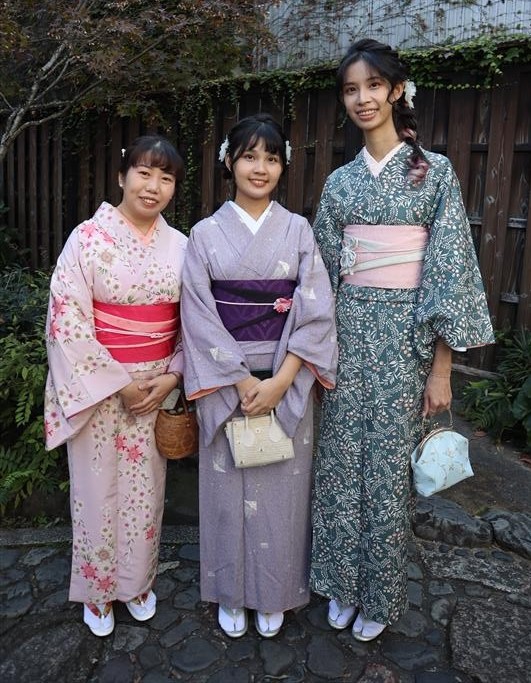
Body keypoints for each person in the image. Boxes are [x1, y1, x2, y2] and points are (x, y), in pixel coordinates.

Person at [310, 39, 494, 642]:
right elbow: (321, 277)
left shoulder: (432, 172)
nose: (362, 99)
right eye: (351, 89)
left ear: (395, 91)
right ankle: (340, 582)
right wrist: (314, 352)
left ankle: (379, 593)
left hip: (405, 342)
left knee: (389, 473)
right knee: (340, 465)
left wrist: (442, 369)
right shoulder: (340, 183)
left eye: (373, 86)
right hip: (346, 335)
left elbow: (449, 272)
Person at [181, 114, 337, 639]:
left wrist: (281, 380)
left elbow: (315, 311)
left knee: (280, 493)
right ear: (229, 162)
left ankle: (274, 593)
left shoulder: (297, 230)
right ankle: (230, 592)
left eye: (271, 158)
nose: (260, 168)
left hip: (285, 377)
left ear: (283, 165)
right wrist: (242, 381)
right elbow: (197, 314)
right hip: (228, 382)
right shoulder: (204, 234)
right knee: (226, 493)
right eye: (249, 156)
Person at [44, 135, 188, 637]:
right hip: (101, 389)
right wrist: (119, 383)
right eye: (144, 173)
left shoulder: (182, 246)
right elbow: (66, 319)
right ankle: (97, 590)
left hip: (156, 388)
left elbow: (194, 322)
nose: (153, 186)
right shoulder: (86, 239)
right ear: (122, 176)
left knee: (146, 492)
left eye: (166, 178)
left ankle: (137, 584)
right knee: (95, 490)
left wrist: (173, 374)